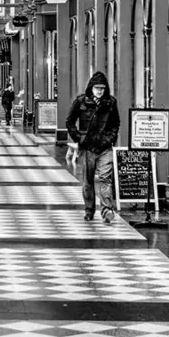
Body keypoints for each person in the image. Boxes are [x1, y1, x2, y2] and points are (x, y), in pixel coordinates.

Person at [66, 70, 120, 223]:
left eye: (102, 88)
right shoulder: (81, 102)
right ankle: (89, 209)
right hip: (87, 147)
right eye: (97, 88)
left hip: (104, 147)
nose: (100, 91)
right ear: (91, 88)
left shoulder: (111, 102)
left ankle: (107, 209)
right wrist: (79, 138)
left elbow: (115, 124)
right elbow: (69, 122)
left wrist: (110, 139)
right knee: (88, 181)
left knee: (105, 178)